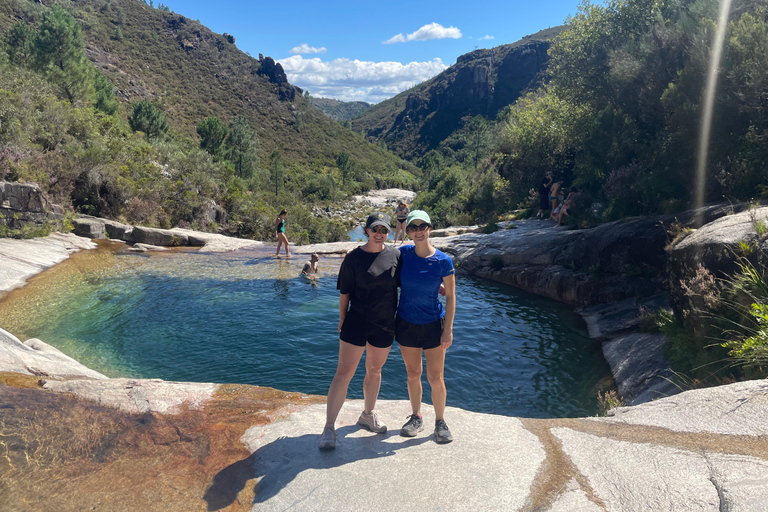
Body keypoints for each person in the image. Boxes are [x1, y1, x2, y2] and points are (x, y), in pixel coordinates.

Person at [319, 212, 400, 450]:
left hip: (384, 324)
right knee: (343, 373)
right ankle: (329, 427)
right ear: (367, 230)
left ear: (389, 233)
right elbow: (345, 292)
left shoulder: (395, 255)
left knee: (374, 370)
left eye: (384, 230)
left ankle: (367, 414)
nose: (379, 233)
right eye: (375, 229)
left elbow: (410, 280)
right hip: (356, 321)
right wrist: (342, 318)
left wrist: (438, 286)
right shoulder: (353, 258)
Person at [396, 210, 456, 444]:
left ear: (430, 228)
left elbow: (450, 296)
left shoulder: (443, 261)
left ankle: (440, 421)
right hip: (406, 323)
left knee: (435, 376)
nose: (418, 231)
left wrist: (448, 329)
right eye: (413, 227)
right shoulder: (402, 254)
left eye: (423, 226)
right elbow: (378, 258)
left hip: (433, 324)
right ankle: (416, 417)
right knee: (413, 374)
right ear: (408, 231)